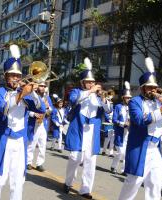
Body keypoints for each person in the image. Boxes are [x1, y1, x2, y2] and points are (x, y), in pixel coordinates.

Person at [0, 45, 46, 200]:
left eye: (18, 75)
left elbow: (42, 108)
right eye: (12, 75)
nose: (16, 78)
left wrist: (34, 93)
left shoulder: (25, 93)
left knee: (18, 182)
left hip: (20, 141)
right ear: (6, 77)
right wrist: (21, 95)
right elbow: (2, 109)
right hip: (3, 140)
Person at [118, 57, 162, 200]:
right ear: (143, 87)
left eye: (155, 87)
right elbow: (138, 120)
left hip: (155, 148)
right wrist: (161, 110)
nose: (154, 90)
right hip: (140, 145)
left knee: (155, 183)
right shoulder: (134, 102)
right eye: (150, 87)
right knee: (134, 182)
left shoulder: (158, 101)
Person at [63, 58, 112, 199]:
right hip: (78, 128)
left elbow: (108, 111)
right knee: (74, 158)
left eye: (93, 82)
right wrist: (90, 91)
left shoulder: (99, 96)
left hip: (92, 131)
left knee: (91, 161)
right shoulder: (76, 92)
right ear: (82, 82)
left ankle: (85, 189)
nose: (91, 84)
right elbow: (73, 100)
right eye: (88, 82)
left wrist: (104, 99)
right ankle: (68, 182)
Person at [27, 81, 53, 172]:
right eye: (41, 86)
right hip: (34, 122)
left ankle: (40, 163)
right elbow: (26, 110)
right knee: (31, 143)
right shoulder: (31, 96)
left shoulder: (47, 98)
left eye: (44, 86)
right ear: (37, 87)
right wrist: (33, 114)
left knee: (43, 145)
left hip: (43, 123)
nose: (42, 88)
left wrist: (47, 108)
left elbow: (51, 111)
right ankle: (28, 162)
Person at [110, 81, 131, 175]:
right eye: (127, 98)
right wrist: (123, 124)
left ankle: (124, 170)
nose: (129, 99)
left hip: (128, 133)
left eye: (130, 98)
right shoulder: (118, 107)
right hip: (119, 132)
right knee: (120, 152)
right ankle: (113, 166)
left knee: (126, 153)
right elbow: (114, 120)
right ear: (123, 98)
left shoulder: (132, 108)